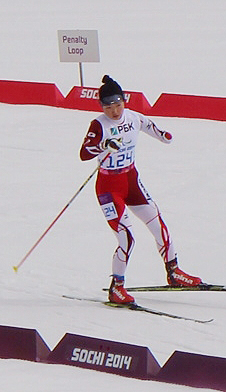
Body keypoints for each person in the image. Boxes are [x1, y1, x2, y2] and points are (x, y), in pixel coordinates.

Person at [80, 75, 202, 304]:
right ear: (101, 107)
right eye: (108, 107)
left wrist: (164, 136)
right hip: (108, 188)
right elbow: (84, 153)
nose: (114, 112)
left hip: (131, 181)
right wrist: (103, 146)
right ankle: (117, 287)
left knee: (157, 222)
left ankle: (174, 271)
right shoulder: (99, 124)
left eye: (117, 105)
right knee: (126, 237)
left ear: (123, 101)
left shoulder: (133, 117)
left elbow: (150, 127)